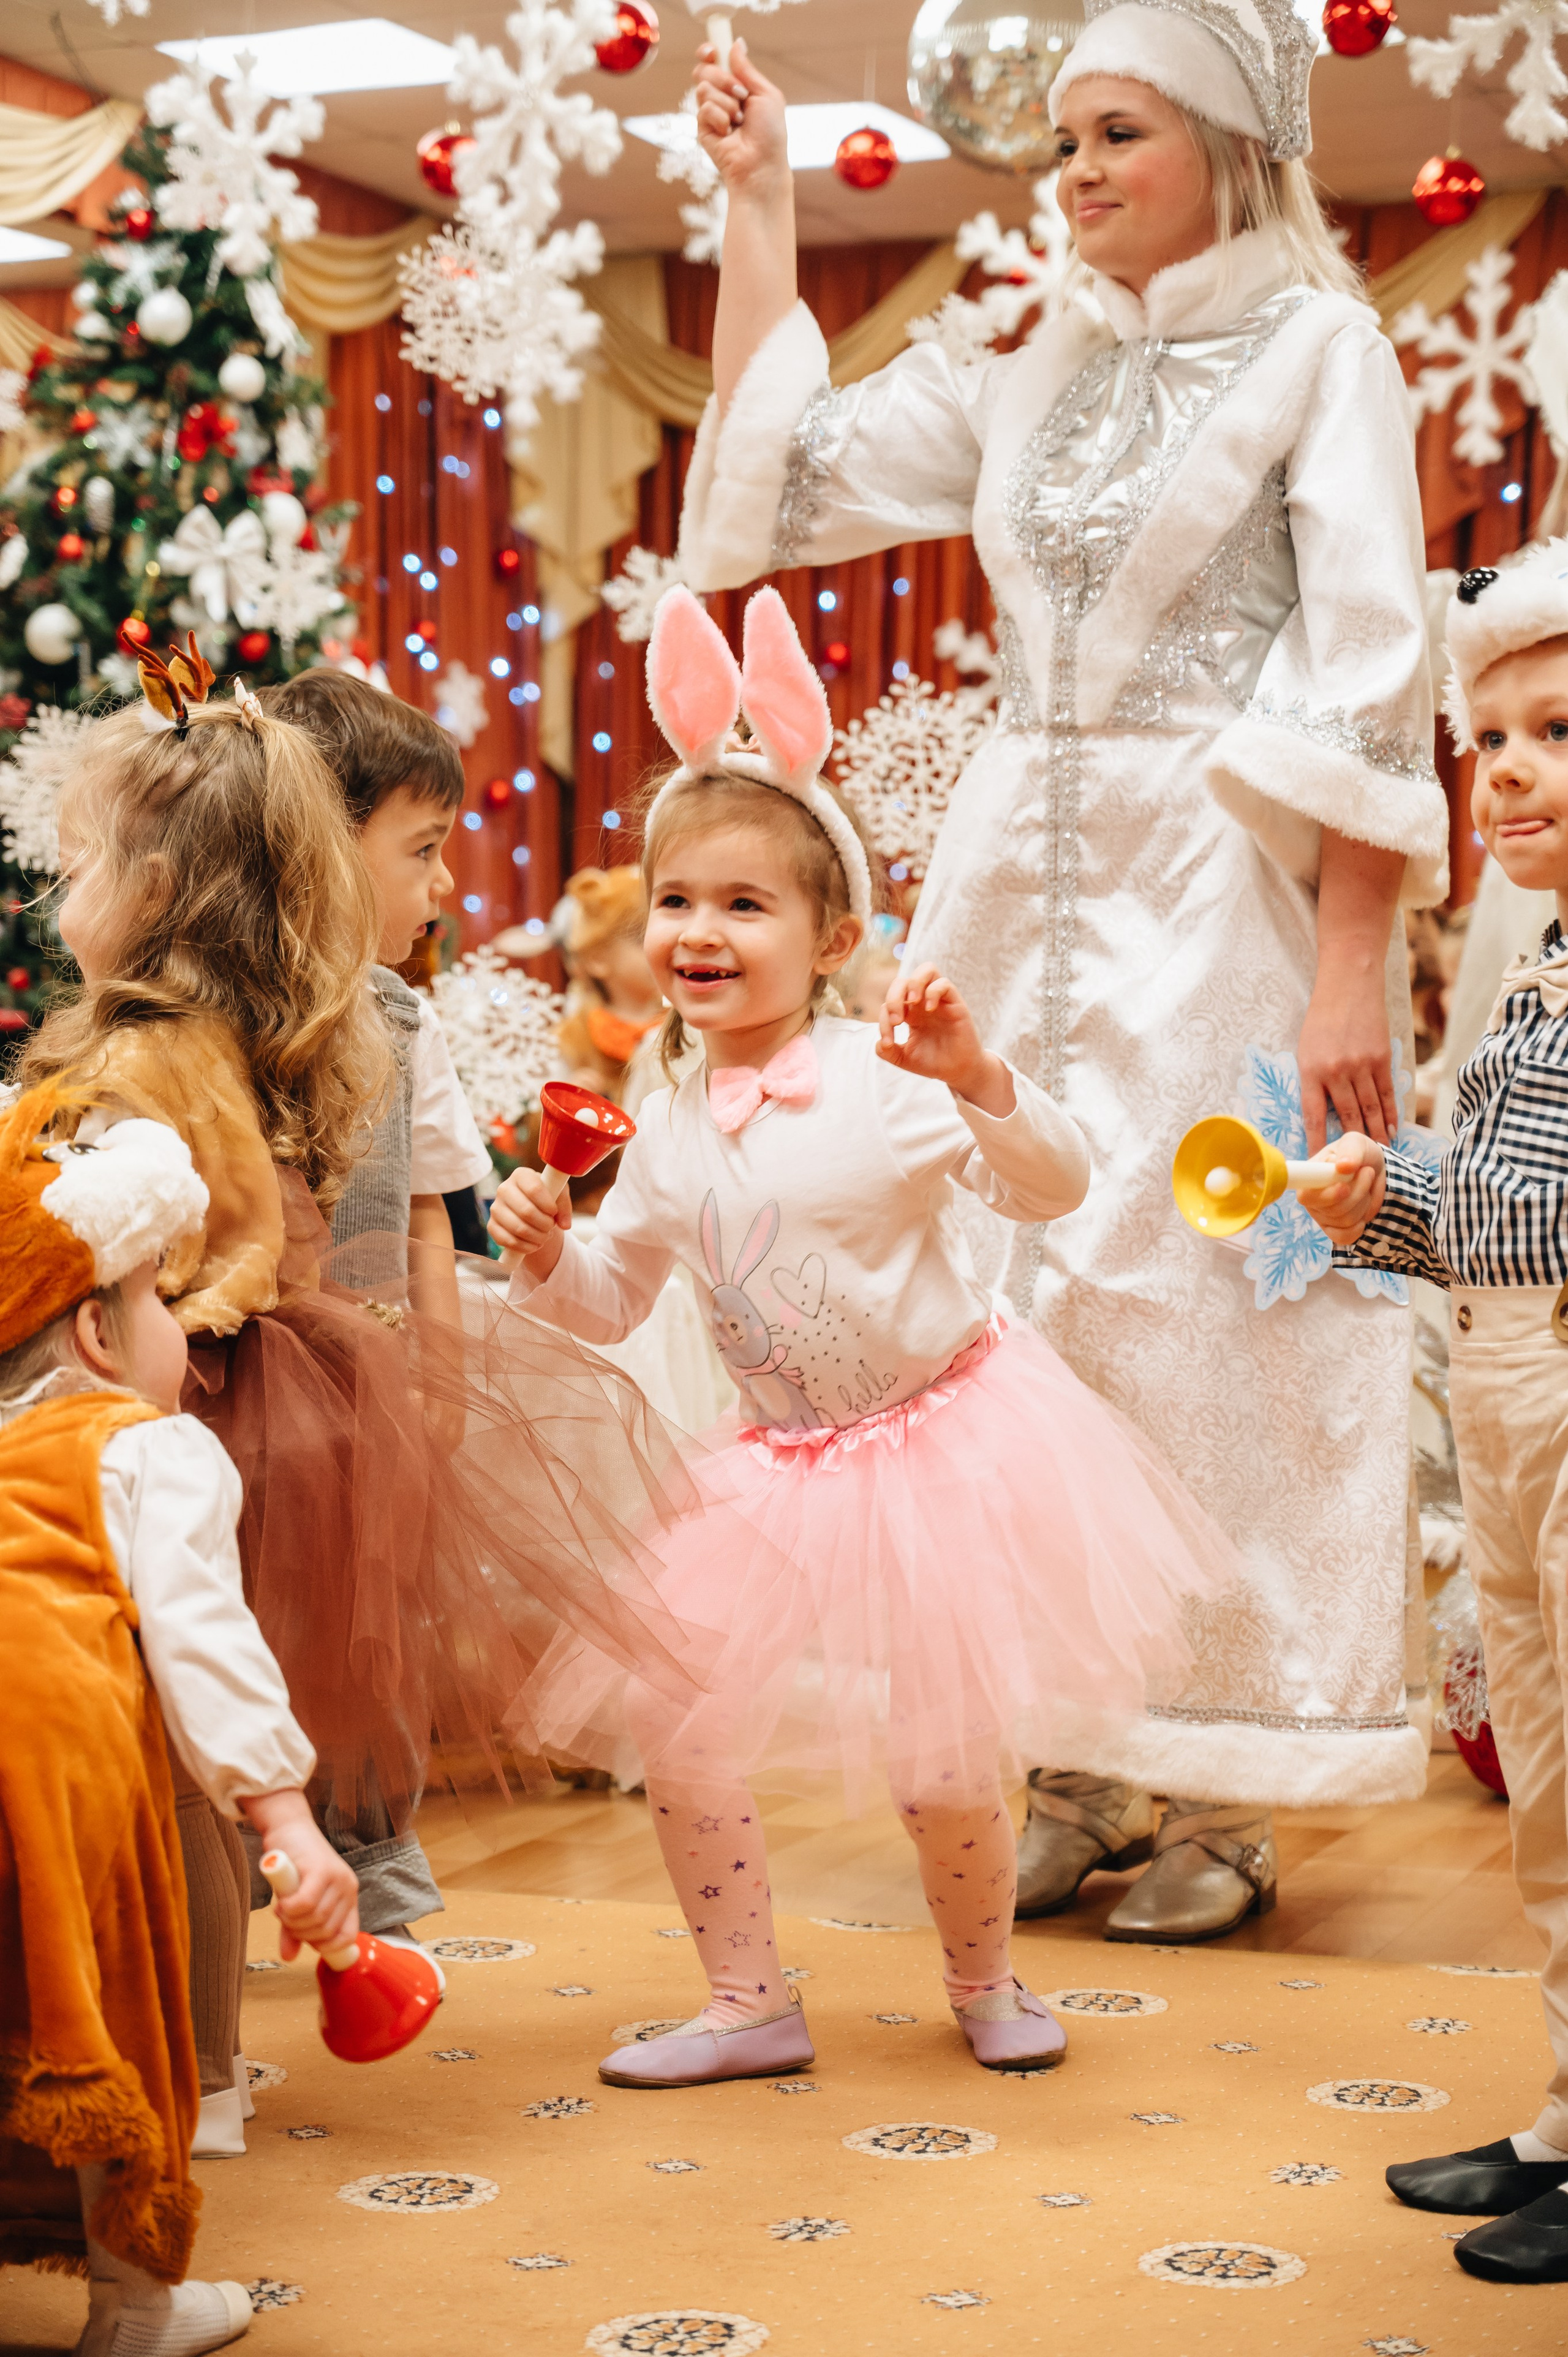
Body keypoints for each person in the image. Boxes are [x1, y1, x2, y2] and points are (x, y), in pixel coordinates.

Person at [678, 0, 1450, 1939]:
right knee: (1016, 1313)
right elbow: (782, 482)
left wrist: (1347, 968)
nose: (1077, 171)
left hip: (1222, 894)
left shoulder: (1323, 349)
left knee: (1221, 1305)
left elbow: (1373, 672)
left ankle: (1229, 1782)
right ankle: (1080, 1753)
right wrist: (760, 200)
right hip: (1014, 891)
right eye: (1062, 140)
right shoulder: (1030, 356)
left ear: (1229, 143)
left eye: (1119, 132)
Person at [489, 586, 1237, 2086]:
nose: (699, 931)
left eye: (743, 903)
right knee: (678, 1724)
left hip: (941, 1440)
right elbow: (618, 1297)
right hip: (772, 1463)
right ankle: (746, 2000)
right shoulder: (663, 1116)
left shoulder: (883, 1077)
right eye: (675, 901)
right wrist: (551, 1254)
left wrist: (976, 1077)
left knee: (940, 1754)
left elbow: (1054, 1183)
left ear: (832, 937)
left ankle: (982, 1976)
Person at [18, 648, 704, 2130]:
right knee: (198, 1729)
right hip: (212, 1392)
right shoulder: (189, 1039)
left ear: (165, 889)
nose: (60, 884)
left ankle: (212, 2054)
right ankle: (208, 2022)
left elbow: (226, 1246)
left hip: (199, 1399)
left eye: (84, 862)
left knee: (198, 1736)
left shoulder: (183, 1056)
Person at [1300, 546, 1568, 2288]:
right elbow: (1503, 1202)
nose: (1510, 771)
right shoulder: (1533, 957)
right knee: (1548, 1774)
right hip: (1506, 1383)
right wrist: (1381, 1199)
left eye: (1558, 731)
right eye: (1489, 739)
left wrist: (1415, 1185)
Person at [0, 1084, 356, 2357]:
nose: (184, 1332)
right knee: (105, 2000)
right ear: (96, 1333)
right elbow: (207, 1641)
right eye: (160, 1296)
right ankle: (134, 2308)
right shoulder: (141, 1448)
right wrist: (284, 1818)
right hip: (54, 1765)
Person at [255, 667, 493, 1952]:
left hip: (371, 1383)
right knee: (247, 1610)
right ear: (321, 844)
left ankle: (374, 1864)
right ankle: (235, 1853)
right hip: (238, 1380)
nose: (443, 882)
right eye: (423, 849)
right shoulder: (228, 1016)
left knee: (372, 1623)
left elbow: (431, 1213)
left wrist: (440, 1380)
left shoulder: (404, 1023)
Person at [554, 865, 664, 1102]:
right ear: (598, 959)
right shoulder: (574, 1038)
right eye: (641, 938)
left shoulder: (683, 1024)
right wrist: (569, 1100)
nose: (657, 948)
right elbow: (541, 1116)